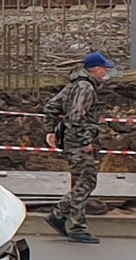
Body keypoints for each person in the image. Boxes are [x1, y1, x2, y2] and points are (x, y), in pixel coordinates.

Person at [40, 51, 117, 244]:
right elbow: (75, 117)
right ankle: (70, 223)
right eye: (105, 69)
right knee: (86, 181)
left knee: (84, 180)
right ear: (96, 69)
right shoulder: (85, 88)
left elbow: (51, 106)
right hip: (78, 143)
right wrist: (85, 141)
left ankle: (66, 219)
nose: (107, 72)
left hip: (72, 141)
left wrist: (51, 132)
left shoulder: (74, 85)